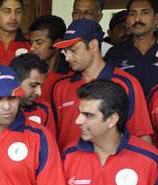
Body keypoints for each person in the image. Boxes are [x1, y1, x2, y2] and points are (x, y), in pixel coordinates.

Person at [51, 19, 153, 150]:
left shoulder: (126, 83)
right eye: (65, 52)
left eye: (73, 50)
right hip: (70, 166)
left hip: (113, 167)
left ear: (93, 45)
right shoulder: (60, 87)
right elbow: (53, 138)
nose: (67, 58)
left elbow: (141, 136)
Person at [106, 0, 158, 97]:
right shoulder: (114, 53)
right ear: (128, 21)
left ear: (156, 18)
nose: (137, 18)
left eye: (145, 12)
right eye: (132, 14)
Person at [29, 15, 71, 105]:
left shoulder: (71, 74)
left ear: (57, 43)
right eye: (31, 43)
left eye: (39, 43)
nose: (32, 48)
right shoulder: (28, 73)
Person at [10, 53, 56, 136]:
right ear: (15, 82)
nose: (39, 92)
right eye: (33, 85)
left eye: (41, 85)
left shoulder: (44, 108)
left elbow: (50, 144)